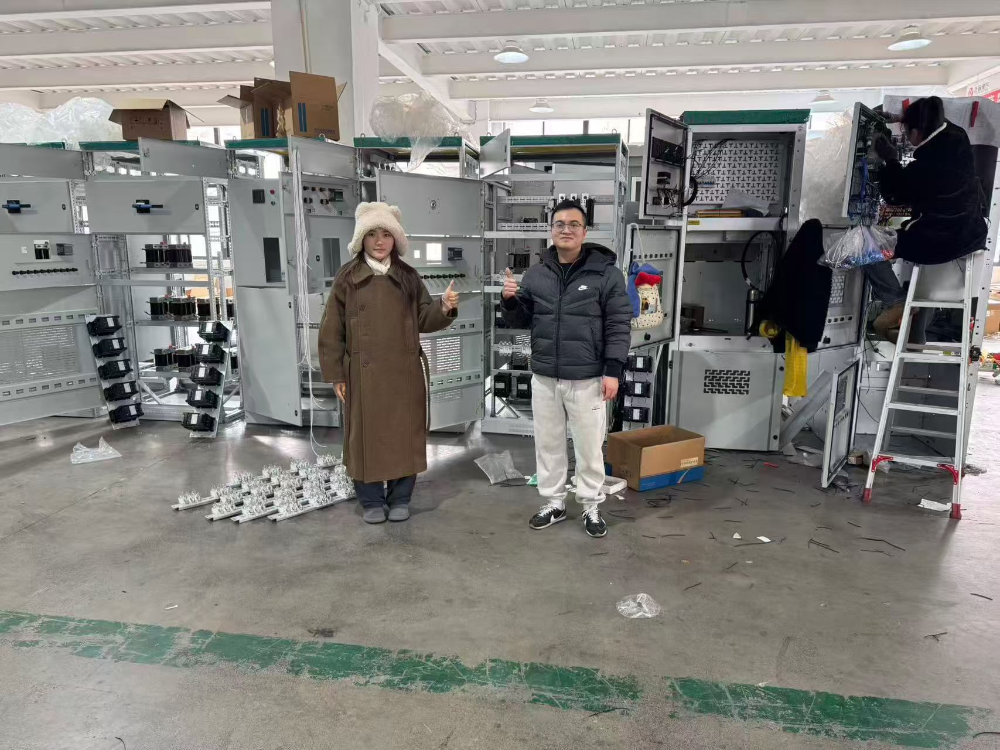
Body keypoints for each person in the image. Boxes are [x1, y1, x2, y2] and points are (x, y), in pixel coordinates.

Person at [319, 202, 460, 524]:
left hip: (403, 372)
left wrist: (443, 306)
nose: (379, 241)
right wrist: (337, 374)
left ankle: (400, 498)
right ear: (361, 239)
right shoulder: (348, 277)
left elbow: (424, 318)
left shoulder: (408, 276)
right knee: (364, 437)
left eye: (386, 234)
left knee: (403, 435)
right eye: (372, 234)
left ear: (396, 238)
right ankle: (370, 500)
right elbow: (331, 328)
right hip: (362, 373)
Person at [501, 199, 631, 538]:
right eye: (560, 224)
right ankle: (554, 502)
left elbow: (618, 324)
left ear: (585, 232)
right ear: (551, 230)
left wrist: (613, 370)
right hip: (545, 375)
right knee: (548, 444)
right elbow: (521, 320)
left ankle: (591, 505)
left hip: (587, 377)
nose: (566, 229)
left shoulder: (607, 275)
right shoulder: (537, 274)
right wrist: (509, 300)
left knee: (589, 447)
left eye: (574, 224)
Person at [865, 96, 988, 341]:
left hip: (940, 241)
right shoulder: (958, 137)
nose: (906, 138)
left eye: (907, 132)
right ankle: (911, 330)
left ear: (917, 132)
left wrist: (891, 159)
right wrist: (901, 118)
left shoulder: (927, 168)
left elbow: (894, 195)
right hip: (970, 234)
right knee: (890, 242)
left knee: (865, 244)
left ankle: (895, 301)